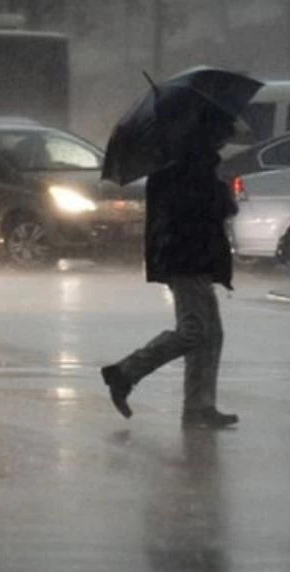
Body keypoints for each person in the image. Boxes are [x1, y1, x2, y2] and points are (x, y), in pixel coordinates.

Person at [101, 107, 240, 429]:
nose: (225, 141)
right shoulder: (187, 166)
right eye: (222, 133)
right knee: (195, 331)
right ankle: (125, 372)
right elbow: (205, 211)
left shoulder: (185, 163)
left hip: (193, 258)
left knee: (211, 334)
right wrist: (221, 193)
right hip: (186, 259)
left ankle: (199, 405)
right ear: (208, 134)